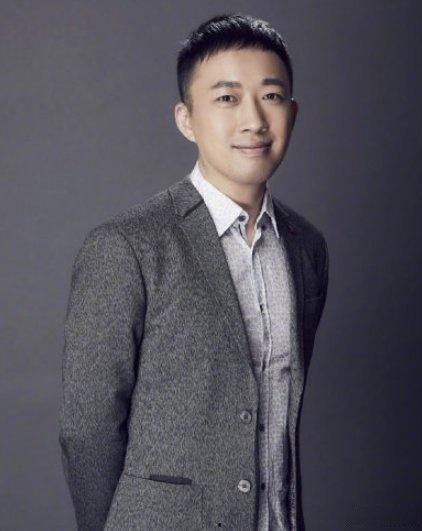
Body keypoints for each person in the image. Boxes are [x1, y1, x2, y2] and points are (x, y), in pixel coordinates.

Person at [58, 12, 329, 531]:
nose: (253, 120)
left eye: (271, 96)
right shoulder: (126, 246)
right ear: (186, 119)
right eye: (227, 98)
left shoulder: (306, 247)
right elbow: (87, 428)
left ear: (292, 113)